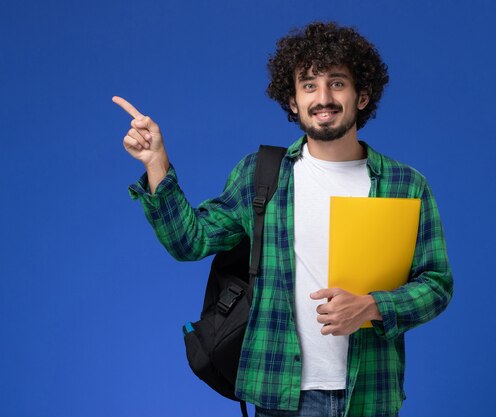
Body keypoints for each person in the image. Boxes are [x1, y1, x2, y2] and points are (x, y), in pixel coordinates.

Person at [115, 21, 452, 417]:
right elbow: (190, 243)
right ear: (292, 100)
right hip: (281, 395)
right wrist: (157, 163)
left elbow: (436, 285)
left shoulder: (405, 184)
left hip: (370, 394)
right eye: (308, 85)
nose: (322, 97)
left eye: (337, 83)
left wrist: (372, 307)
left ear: (362, 95)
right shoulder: (263, 175)